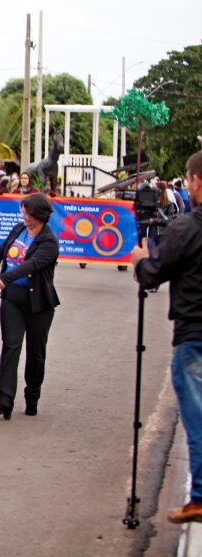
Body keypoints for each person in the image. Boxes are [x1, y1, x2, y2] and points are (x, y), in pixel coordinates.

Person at [130, 150, 202, 524]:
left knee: (198, 416)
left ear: (197, 182)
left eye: (190, 180)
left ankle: (201, 496)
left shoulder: (188, 226)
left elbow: (153, 274)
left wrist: (141, 258)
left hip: (194, 334)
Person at [0, 193, 60, 419]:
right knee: (11, 346)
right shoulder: (18, 229)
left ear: (40, 215)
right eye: (23, 212)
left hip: (38, 304)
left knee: (36, 353)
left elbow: (31, 265)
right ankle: (5, 402)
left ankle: (32, 395)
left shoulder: (49, 242)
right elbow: (3, 250)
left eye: (28, 213)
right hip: (12, 299)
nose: (24, 216)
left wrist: (6, 277)